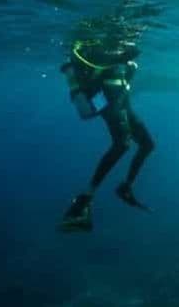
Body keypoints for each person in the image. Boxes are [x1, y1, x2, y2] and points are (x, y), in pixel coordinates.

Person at [58, 39, 155, 232]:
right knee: (123, 144)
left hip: (122, 101)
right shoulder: (101, 49)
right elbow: (106, 62)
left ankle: (125, 187)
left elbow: (124, 75)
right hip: (110, 102)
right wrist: (124, 56)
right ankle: (83, 200)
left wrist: (128, 65)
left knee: (147, 144)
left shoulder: (120, 52)